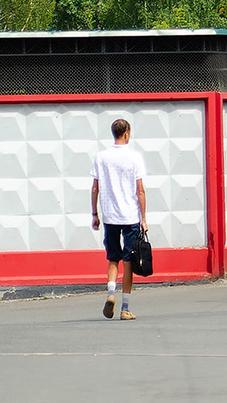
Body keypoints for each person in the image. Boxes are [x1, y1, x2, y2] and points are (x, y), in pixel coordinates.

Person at [90, 118, 147, 321]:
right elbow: (140, 191)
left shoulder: (101, 157)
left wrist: (95, 214)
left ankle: (110, 294)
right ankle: (125, 308)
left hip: (110, 216)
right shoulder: (134, 157)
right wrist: (144, 218)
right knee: (129, 261)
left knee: (113, 258)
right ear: (127, 133)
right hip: (130, 215)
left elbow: (95, 187)